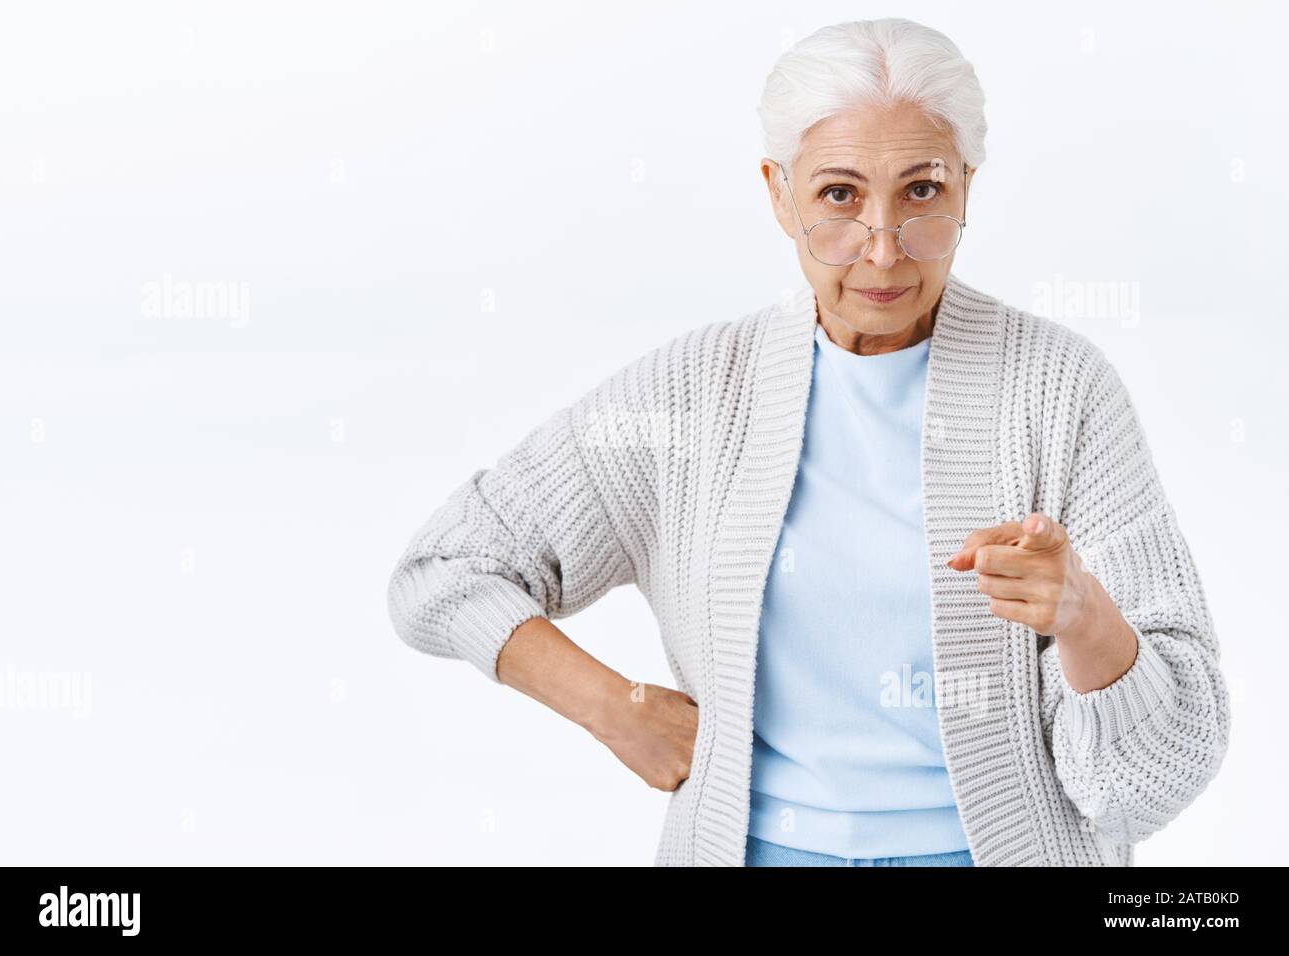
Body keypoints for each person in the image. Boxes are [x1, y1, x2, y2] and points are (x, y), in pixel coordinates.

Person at [386, 17, 1230, 867]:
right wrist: (619, 709)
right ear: (777, 193)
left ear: (968, 187)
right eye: (838, 196)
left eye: (922, 192)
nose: (883, 247)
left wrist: (1085, 617)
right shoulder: (696, 393)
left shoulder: (1061, 392)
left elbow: (1151, 784)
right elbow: (444, 570)